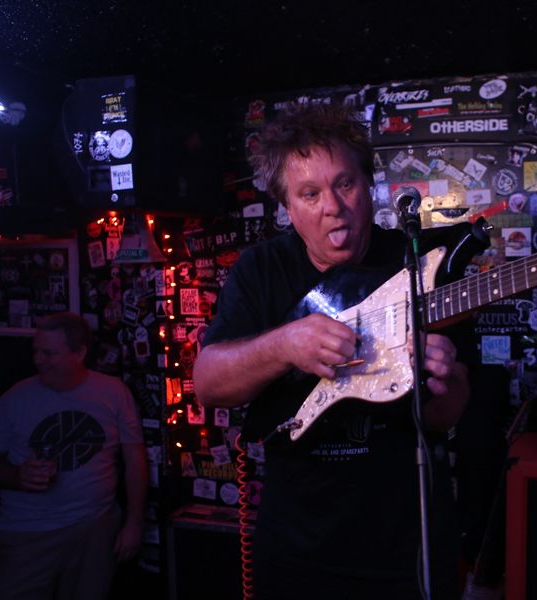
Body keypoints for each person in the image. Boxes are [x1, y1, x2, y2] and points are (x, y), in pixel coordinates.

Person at [194, 103, 471, 599]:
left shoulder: (422, 265)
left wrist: (441, 379)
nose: (332, 207)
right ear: (287, 207)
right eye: (310, 194)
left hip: (407, 549)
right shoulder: (261, 269)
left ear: (369, 185)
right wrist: (284, 344)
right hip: (297, 547)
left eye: (345, 184)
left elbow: (446, 415)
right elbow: (209, 385)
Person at [0, 312, 148, 600]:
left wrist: (134, 522)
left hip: (94, 528)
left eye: (49, 353)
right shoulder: (16, 398)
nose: (38, 360)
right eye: (36, 351)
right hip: (28, 531)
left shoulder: (114, 393)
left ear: (79, 353)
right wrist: (17, 476)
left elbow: (135, 461)